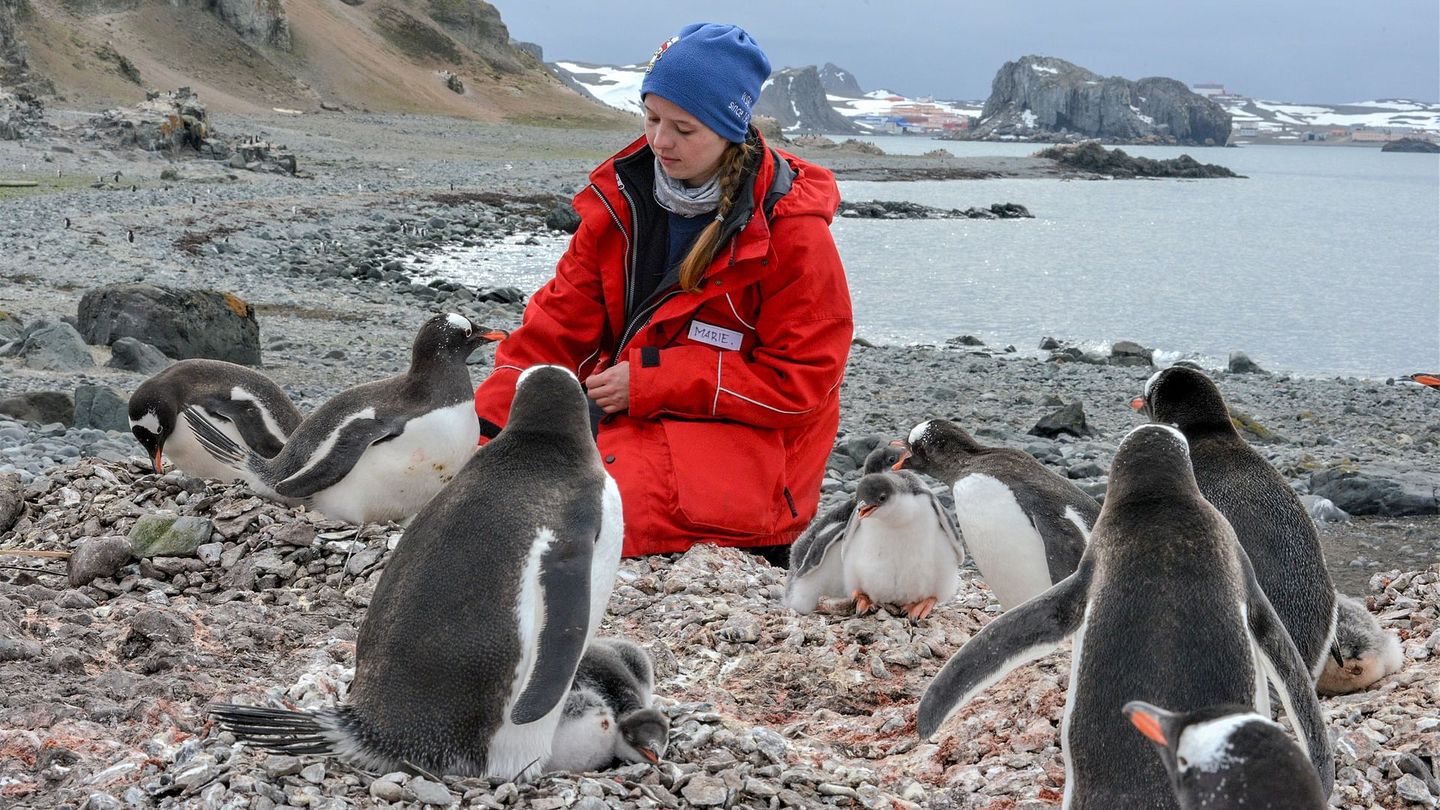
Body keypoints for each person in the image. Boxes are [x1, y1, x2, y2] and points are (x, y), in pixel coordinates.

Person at [474, 22, 852, 561]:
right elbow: (551, 335)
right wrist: (486, 432)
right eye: (651, 118)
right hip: (633, 418)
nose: (660, 141)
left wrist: (655, 381)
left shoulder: (793, 235)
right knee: (488, 485)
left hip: (750, 456)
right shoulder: (620, 205)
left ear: (730, 131)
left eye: (684, 128)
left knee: (569, 514)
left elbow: (803, 385)